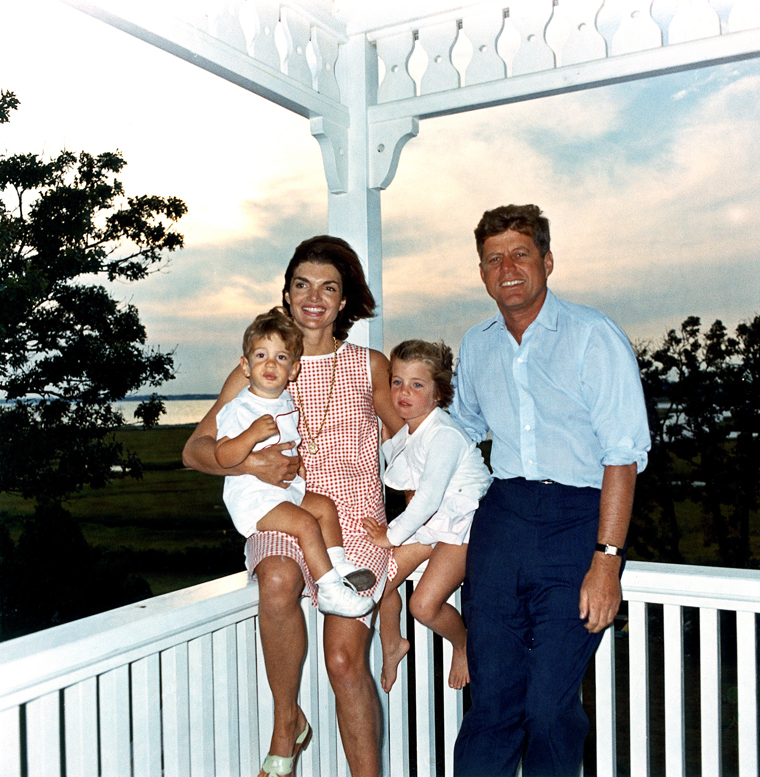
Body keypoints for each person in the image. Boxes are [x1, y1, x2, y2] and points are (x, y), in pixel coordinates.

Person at [182, 236, 401, 777]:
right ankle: (286, 722)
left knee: (346, 664)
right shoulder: (262, 364)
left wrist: (424, 525)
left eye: (329, 287)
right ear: (286, 291)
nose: (314, 297)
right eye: (302, 284)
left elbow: (413, 445)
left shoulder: (370, 365)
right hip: (284, 506)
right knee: (277, 578)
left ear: (345, 300)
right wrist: (251, 466)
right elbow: (194, 452)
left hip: (353, 520)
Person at [450, 205, 650, 777]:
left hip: (575, 524)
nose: (507, 267)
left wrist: (606, 562)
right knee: (490, 701)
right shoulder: (479, 343)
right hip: (502, 522)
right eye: (493, 258)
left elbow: (623, 454)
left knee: (549, 705)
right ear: (483, 273)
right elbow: (460, 434)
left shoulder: (593, 335)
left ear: (547, 260)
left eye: (520, 253)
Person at [215, 307, 375, 619]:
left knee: (324, 507)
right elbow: (223, 456)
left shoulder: (284, 400)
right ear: (245, 366)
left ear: (294, 369)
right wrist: (249, 436)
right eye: (261, 356)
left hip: (283, 491)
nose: (270, 364)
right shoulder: (240, 408)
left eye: (281, 358)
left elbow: (284, 443)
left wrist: (296, 461)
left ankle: (338, 565)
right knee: (305, 523)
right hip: (254, 500)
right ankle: (330, 591)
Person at [363, 339, 491, 693]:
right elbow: (405, 472)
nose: (404, 392)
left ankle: (462, 642)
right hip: (432, 527)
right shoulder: (411, 430)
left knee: (422, 605)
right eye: (397, 382)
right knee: (377, 582)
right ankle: (394, 643)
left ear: (438, 394)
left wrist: (389, 536)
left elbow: (428, 498)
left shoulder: (445, 434)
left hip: (463, 525)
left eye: (417, 385)